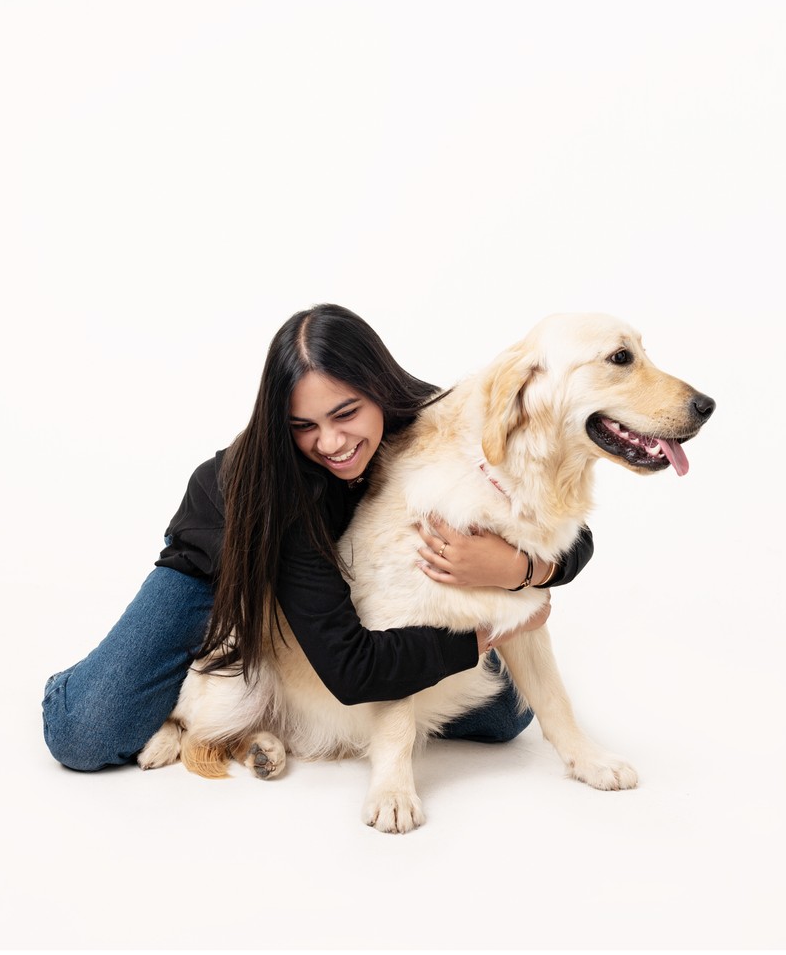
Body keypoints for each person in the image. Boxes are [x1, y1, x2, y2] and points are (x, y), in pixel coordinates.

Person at [42, 304, 594, 771]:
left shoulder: (431, 418)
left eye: (346, 413)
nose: (331, 442)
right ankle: (185, 683)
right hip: (220, 566)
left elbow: (559, 523)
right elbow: (352, 670)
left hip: (338, 581)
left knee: (505, 716)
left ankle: (259, 713)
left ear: (378, 390)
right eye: (302, 426)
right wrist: (485, 635)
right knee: (86, 731)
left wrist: (522, 571)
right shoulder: (283, 494)